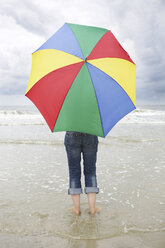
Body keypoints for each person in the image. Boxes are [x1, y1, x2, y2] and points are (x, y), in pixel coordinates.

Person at [64, 131, 100, 215]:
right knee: (90, 172)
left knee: (73, 172)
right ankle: (92, 209)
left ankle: (76, 210)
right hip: (90, 132)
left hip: (72, 133)